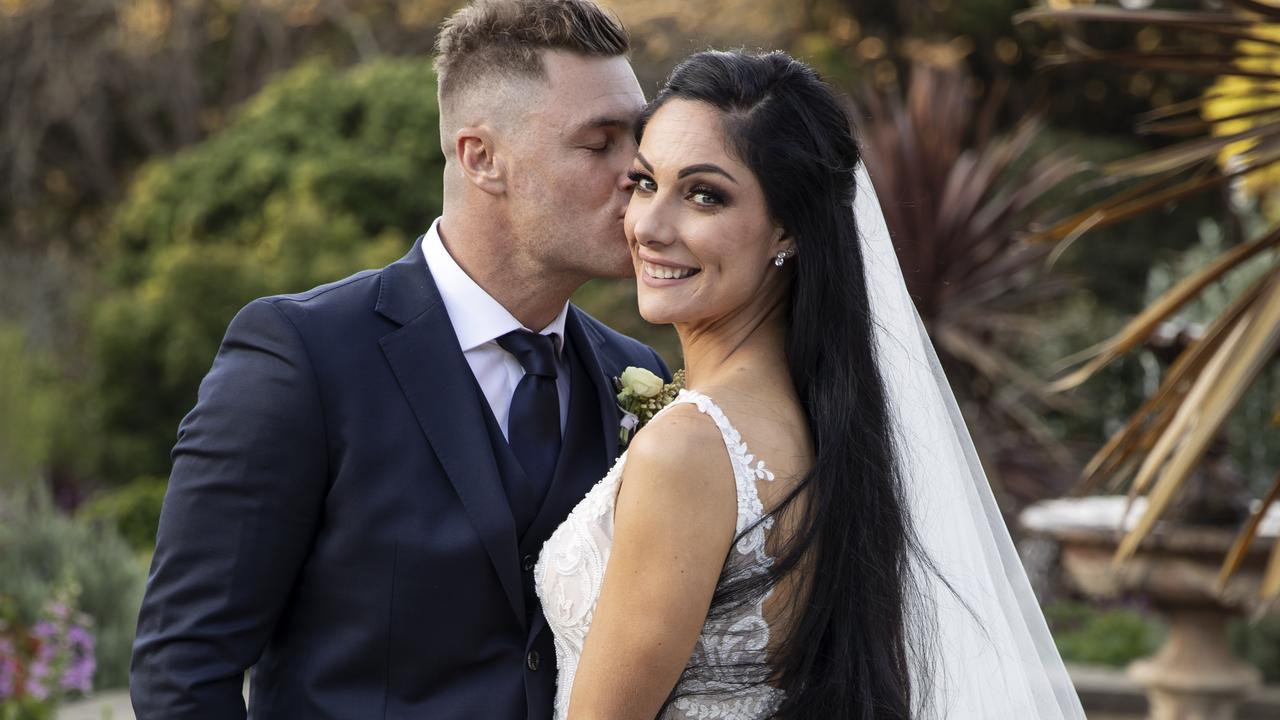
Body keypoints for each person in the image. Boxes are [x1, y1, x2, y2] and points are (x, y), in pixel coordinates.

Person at [129, 1, 668, 717]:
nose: (637, 170)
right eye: (600, 143)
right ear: (482, 158)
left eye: (638, 137)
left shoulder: (635, 378)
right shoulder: (301, 360)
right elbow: (182, 672)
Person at [534, 50, 1089, 719]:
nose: (649, 226)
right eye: (647, 183)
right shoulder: (822, 422)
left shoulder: (688, 453)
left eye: (704, 195)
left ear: (787, 229)